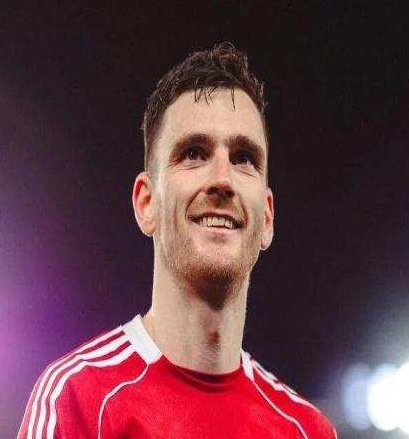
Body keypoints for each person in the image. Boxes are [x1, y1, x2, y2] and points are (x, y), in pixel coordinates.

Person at [18, 42, 337, 439]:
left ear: (267, 217)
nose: (222, 179)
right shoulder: (78, 400)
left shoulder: (307, 431)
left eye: (243, 158)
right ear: (146, 203)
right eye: (194, 153)